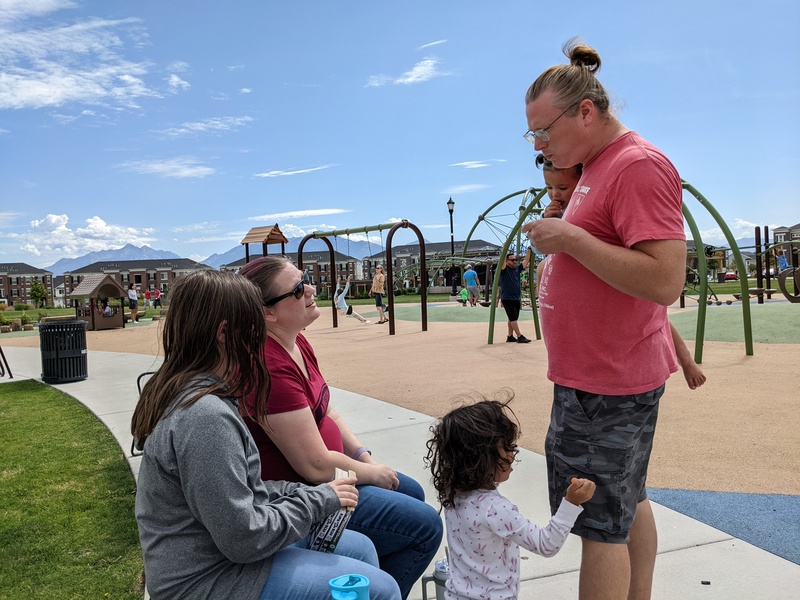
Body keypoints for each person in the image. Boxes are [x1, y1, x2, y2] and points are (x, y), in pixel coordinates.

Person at [521, 39, 687, 599]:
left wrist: (570, 236)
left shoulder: (637, 165)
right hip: (599, 376)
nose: (541, 145)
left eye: (544, 130)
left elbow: (665, 280)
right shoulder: (597, 165)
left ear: (585, 113)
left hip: (606, 384)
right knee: (625, 503)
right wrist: (566, 228)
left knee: (597, 528)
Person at [130, 270, 400, 600]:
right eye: (256, 325)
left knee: (361, 548)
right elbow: (245, 538)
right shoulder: (205, 417)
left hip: (221, 555)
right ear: (226, 334)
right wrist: (319, 499)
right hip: (208, 581)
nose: (263, 336)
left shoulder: (191, 391)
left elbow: (239, 493)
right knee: (381, 588)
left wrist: (303, 492)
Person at [239, 256, 443, 599]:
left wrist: (363, 456)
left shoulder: (296, 342)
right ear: (268, 312)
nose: (311, 289)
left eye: (305, 278)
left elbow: (327, 411)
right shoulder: (268, 365)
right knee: (425, 526)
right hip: (304, 495)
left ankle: (370, 584)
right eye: (299, 288)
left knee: (410, 492)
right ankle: (377, 590)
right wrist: (368, 472)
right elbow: (315, 467)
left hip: (334, 476)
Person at [535, 154, 705, 391]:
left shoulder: (594, 207)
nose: (555, 194)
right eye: (549, 188)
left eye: (563, 187)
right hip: (579, 344)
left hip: (616, 304)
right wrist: (549, 220)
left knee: (657, 317)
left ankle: (687, 361)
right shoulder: (560, 210)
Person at [425, 394, 596, 599]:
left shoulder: (453, 492)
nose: (512, 455)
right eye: (506, 449)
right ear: (480, 460)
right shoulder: (495, 509)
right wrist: (571, 503)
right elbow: (546, 544)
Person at [498, 249, 533, 343]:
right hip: (507, 298)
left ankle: (510, 336)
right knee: (513, 318)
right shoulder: (504, 270)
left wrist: (529, 250)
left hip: (516, 297)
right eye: (512, 260)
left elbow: (526, 261)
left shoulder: (517, 269)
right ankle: (519, 336)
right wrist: (505, 250)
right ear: (506, 261)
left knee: (512, 317)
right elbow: (502, 261)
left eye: (515, 260)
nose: (514, 261)